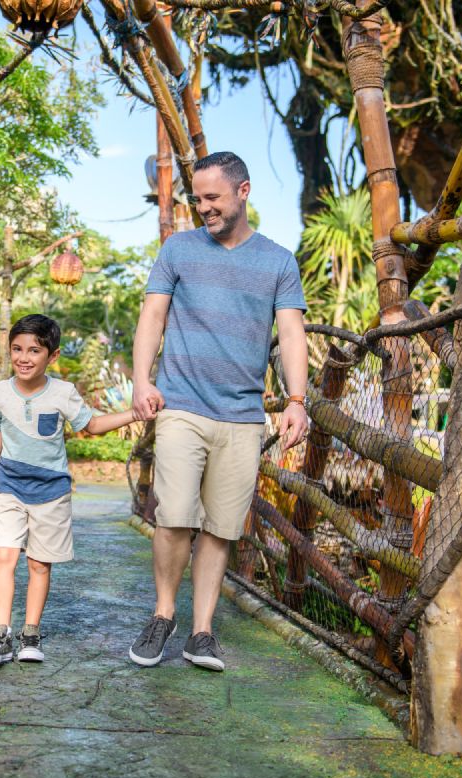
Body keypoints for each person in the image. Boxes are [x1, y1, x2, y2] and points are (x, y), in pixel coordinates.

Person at [127, 151, 310, 672]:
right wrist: (142, 380)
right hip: (182, 404)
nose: (202, 207)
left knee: (222, 529)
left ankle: (201, 631)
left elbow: (292, 333)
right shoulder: (178, 249)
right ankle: (163, 614)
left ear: (243, 192)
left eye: (213, 198)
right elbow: (152, 317)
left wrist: (297, 400)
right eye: (197, 198)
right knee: (176, 515)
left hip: (243, 415)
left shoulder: (277, 260)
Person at [0, 314, 136, 665]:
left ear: (53, 355)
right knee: (4, 556)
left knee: (39, 564)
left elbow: (92, 425)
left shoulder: (63, 392)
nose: (24, 357)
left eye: (34, 350)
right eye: (17, 349)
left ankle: (30, 633)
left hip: (51, 491)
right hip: (10, 487)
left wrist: (133, 414)